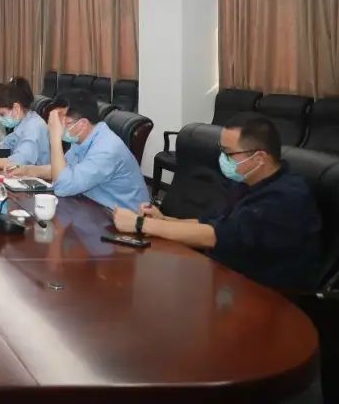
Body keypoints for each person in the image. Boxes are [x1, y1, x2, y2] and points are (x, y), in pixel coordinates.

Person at [113, 114, 321, 289]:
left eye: (228, 153)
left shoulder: (285, 199)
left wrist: (140, 224)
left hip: (265, 296)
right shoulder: (246, 182)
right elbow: (212, 223)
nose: (223, 159)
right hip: (225, 278)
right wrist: (164, 220)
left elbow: (214, 236)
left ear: (259, 158)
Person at [45, 90, 149, 211]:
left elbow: (61, 186)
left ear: (82, 124)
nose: (59, 127)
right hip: (94, 207)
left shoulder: (107, 149)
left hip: (123, 217)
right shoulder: (82, 138)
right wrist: (29, 170)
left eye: (64, 123)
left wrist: (54, 138)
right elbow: (65, 170)